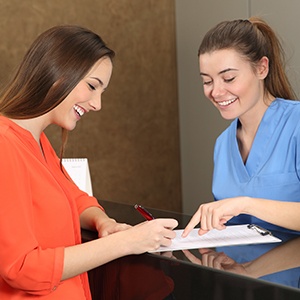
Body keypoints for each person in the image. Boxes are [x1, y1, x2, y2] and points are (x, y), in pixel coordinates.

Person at [0, 25, 178, 299]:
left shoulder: (37, 141)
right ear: (58, 72)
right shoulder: (5, 145)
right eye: (92, 86)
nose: (97, 104)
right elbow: (21, 268)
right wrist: (125, 242)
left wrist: (102, 222)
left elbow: (76, 198)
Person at [183, 17, 300, 238]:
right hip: (237, 270)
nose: (216, 92)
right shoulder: (222, 144)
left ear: (261, 68)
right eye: (207, 81)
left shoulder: (296, 124)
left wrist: (246, 204)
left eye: (228, 78)